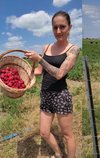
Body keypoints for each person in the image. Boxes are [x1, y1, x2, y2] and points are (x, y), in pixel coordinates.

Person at [24, 10, 80, 158]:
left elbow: (60, 74)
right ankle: (58, 154)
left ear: (70, 27)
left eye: (62, 27)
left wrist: (40, 59)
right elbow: (39, 71)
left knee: (67, 134)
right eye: (55, 27)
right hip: (46, 94)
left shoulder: (73, 49)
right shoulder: (46, 47)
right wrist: (23, 71)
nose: (58, 31)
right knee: (43, 132)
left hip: (61, 95)